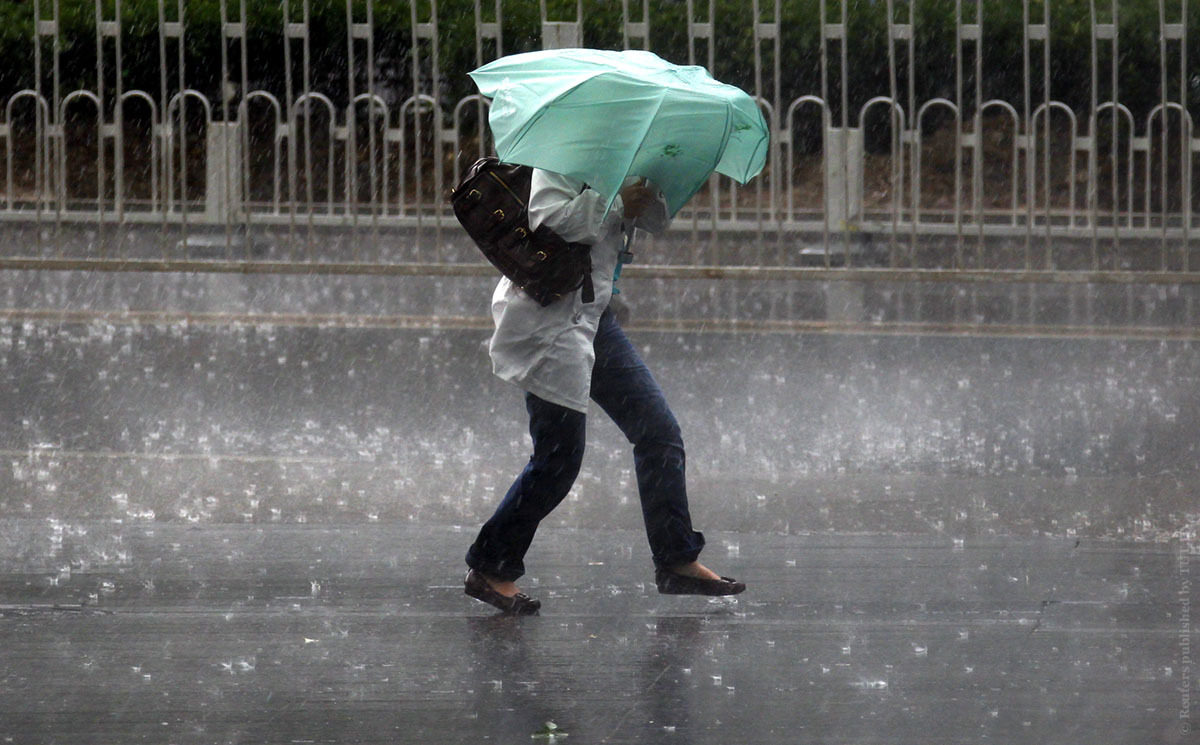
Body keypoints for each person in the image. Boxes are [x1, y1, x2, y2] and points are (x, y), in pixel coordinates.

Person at [464, 168, 745, 614]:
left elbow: (653, 221)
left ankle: (676, 559)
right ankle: (490, 566)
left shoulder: (627, 152)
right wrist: (615, 204)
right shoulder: (564, 151)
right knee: (558, 460)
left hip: (595, 317)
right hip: (551, 318)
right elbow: (547, 218)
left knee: (658, 433)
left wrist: (648, 192)